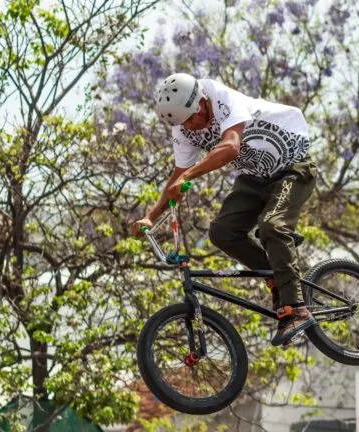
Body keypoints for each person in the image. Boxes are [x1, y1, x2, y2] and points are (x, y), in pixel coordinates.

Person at [132, 73, 317, 346]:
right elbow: (177, 177)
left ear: (202, 101)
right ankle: (279, 275)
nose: (192, 127)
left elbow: (230, 147)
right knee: (222, 232)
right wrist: (150, 215)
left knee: (272, 226)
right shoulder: (183, 128)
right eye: (185, 124)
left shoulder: (222, 97)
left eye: (193, 118)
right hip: (254, 177)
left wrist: (188, 177)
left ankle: (297, 310)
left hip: (292, 166)